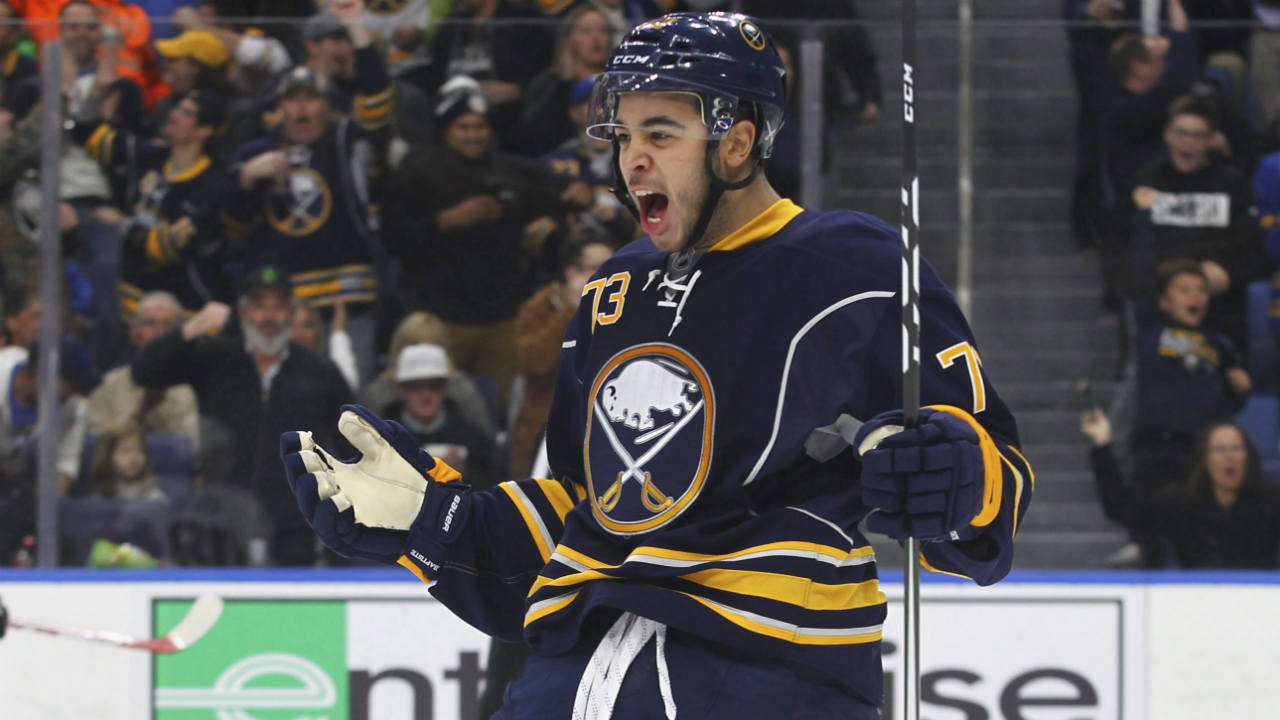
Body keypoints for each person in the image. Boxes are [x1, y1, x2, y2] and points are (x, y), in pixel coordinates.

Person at [281, 13, 1032, 718]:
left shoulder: (856, 266)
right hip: (576, 679)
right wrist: (433, 522)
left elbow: (995, 483)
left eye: (660, 134)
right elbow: (588, 509)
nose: (631, 158)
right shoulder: (614, 289)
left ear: (736, 143)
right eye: (623, 134)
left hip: (762, 679)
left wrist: (956, 474)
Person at [134, 265, 353, 565]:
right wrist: (191, 328)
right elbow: (145, 371)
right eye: (259, 306)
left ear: (291, 313)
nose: (268, 317)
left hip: (295, 524)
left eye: (278, 307)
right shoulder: (215, 358)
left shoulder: (320, 372)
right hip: (221, 521)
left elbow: (350, 444)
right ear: (243, 312)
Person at [1083, 411, 1280, 567]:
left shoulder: (1271, 501)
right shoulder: (1181, 504)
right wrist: (1102, 446)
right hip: (1195, 598)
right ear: (1205, 460)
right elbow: (1124, 509)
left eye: (1236, 448)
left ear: (1248, 457)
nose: (1229, 457)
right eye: (1220, 450)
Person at [509, 232, 613, 480]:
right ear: (572, 273)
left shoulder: (621, 306)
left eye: (612, 268)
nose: (609, 278)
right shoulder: (539, 308)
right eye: (597, 268)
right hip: (545, 428)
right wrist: (572, 312)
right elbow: (534, 363)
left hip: (606, 426)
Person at [86, 290, 198, 440]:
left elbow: (194, 444)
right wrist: (142, 410)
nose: (160, 333)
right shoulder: (109, 385)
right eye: (150, 324)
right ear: (134, 333)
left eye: (167, 325)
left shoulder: (193, 386)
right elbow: (98, 445)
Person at [387, 343, 499, 492]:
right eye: (415, 387)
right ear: (400, 389)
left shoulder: (471, 437)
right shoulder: (384, 439)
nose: (425, 395)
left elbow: (492, 491)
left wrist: (464, 473)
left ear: (446, 387)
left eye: (434, 386)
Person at [89, 424, 165, 501]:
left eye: (140, 450)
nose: (134, 457)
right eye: (125, 451)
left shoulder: (152, 494)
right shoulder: (100, 496)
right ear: (108, 456)